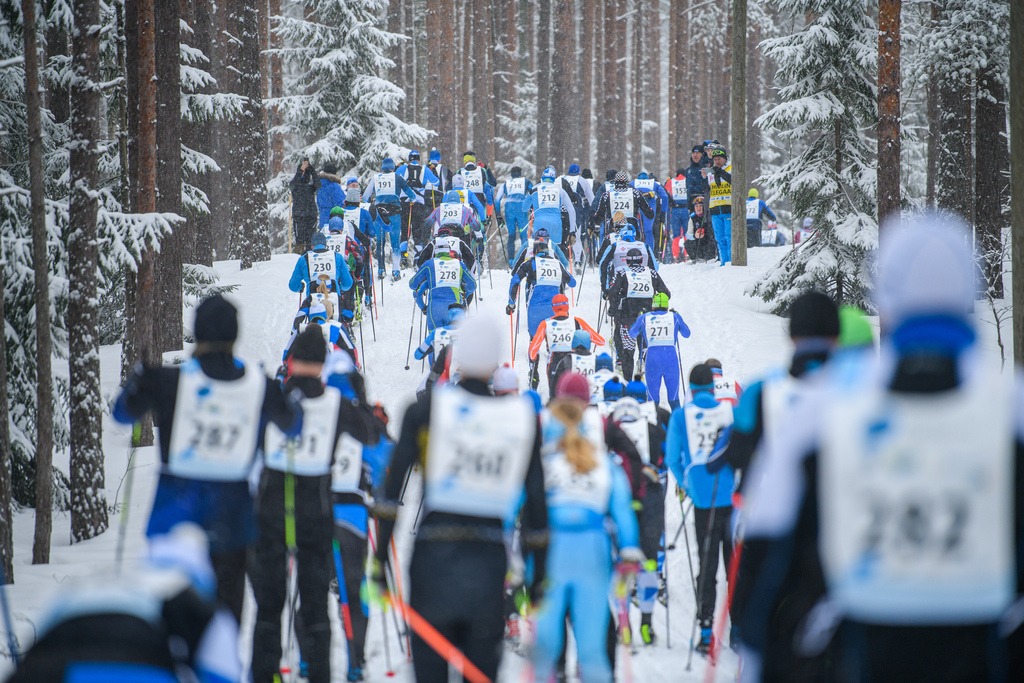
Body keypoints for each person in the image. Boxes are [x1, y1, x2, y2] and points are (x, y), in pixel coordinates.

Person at [738, 216, 1024, 683]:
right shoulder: (1012, 411)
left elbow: (767, 564)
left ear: (885, 297)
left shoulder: (823, 412)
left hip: (859, 652)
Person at [371, 314, 549, 683]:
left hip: (432, 556)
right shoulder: (521, 417)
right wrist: (537, 580)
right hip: (487, 560)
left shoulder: (425, 410)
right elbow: (536, 506)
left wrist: (379, 560)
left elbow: (392, 492)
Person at [112, 295, 302, 623]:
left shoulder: (166, 380)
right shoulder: (260, 385)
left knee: (171, 625)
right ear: (234, 335)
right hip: (233, 521)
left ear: (198, 333)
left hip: (174, 516)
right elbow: (293, 425)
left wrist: (137, 380)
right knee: (224, 624)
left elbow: (122, 414)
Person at [250, 327, 375, 683]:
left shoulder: (273, 396)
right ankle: (320, 673)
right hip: (316, 513)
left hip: (272, 511)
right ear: (321, 365)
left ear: (290, 362)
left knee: (269, 608)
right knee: (316, 605)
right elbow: (369, 435)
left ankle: (266, 674)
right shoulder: (336, 403)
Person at [6, 524, 243, 683]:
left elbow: (42, 640)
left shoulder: (95, 587)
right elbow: (221, 671)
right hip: (141, 670)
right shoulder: (191, 596)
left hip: (50, 670)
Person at [531, 372, 642, 683]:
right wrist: (629, 548)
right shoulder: (600, 445)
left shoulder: (543, 443)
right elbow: (621, 498)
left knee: (546, 647)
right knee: (593, 649)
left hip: (549, 546)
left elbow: (520, 494)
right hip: (593, 546)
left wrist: (513, 549)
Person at [665, 363, 736, 654]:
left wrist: (688, 483)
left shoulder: (682, 416)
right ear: (713, 386)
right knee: (734, 565)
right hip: (732, 499)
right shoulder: (729, 411)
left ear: (691, 390)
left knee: (706, 568)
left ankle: (706, 631)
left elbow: (672, 458)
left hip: (703, 502)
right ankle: (740, 630)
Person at [607, 248, 670, 380]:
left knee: (627, 352)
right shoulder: (652, 273)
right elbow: (666, 293)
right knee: (646, 349)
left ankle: (629, 382)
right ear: (642, 260)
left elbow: (612, 293)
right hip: (648, 319)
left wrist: (613, 309)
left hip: (628, 318)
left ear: (627, 261)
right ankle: (648, 376)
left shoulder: (623, 273)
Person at [527, 293, 605, 395]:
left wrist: (533, 359)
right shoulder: (577, 321)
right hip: (573, 361)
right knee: (574, 394)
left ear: (553, 308)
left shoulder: (545, 324)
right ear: (567, 306)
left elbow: (533, 350)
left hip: (554, 362)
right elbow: (600, 341)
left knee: (555, 396)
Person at [628, 292, 691, 409]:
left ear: (653, 305)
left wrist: (639, 318)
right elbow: (687, 334)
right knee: (674, 398)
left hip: (652, 359)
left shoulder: (645, 317)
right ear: (667, 305)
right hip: (670, 359)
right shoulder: (674, 317)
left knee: (652, 399)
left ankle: (654, 423)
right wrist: (678, 317)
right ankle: (676, 424)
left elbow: (632, 333)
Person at [508, 238, 577, 339]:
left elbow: (515, 281)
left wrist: (511, 304)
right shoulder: (557, 263)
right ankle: (552, 351)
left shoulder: (529, 263)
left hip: (535, 308)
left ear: (535, 252)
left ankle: (534, 350)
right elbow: (572, 283)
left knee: (534, 339)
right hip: (554, 308)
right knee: (553, 341)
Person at [362, 157, 418, 281]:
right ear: (393, 168)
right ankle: (396, 270)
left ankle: (381, 270)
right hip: (394, 212)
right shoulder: (397, 177)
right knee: (395, 243)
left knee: (380, 242)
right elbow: (412, 195)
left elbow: (365, 197)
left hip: (379, 213)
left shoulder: (375, 178)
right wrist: (412, 200)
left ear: (382, 168)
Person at [410, 247, 477, 331]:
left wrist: (423, 307)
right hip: (454, 308)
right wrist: (464, 298)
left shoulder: (429, 264)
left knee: (435, 339)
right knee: (456, 338)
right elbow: (472, 285)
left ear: (435, 252)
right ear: (448, 252)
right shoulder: (459, 264)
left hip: (435, 309)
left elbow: (414, 287)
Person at [288, 231, 355, 303]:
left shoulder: (303, 259)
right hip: (334, 300)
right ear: (326, 245)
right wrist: (339, 287)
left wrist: (300, 287)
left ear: (311, 246)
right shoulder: (337, 257)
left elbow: (293, 286)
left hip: (312, 302)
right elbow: (348, 283)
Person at [590, 171, 654, 244]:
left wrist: (593, 221)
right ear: (627, 182)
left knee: (607, 250)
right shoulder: (635, 193)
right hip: (632, 231)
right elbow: (650, 214)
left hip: (613, 231)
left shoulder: (607, 195)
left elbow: (599, 216)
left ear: (615, 182)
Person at [397, 149, 441, 248]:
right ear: (418, 159)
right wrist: (432, 170)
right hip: (419, 203)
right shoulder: (425, 169)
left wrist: (398, 167)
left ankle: (403, 254)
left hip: (404, 202)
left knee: (404, 230)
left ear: (409, 159)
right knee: (417, 232)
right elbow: (436, 182)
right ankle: (417, 254)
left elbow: (394, 178)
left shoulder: (403, 168)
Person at [528, 166, 578, 250]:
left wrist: (532, 208)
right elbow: (572, 207)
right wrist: (572, 231)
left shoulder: (537, 186)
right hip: (560, 217)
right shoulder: (562, 184)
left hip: (542, 220)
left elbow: (531, 202)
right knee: (558, 246)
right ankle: (561, 258)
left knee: (540, 247)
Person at [495, 167, 534, 266]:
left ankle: (511, 261)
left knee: (511, 235)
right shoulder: (526, 181)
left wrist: (498, 215)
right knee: (523, 235)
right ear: (520, 173)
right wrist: (532, 208)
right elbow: (534, 193)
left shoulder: (506, 184)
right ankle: (525, 259)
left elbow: (497, 200)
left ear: (511, 174)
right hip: (521, 209)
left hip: (510, 210)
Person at [705, 148, 733, 265]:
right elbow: (707, 189)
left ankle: (731, 261)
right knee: (719, 238)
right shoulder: (711, 172)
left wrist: (720, 172)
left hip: (728, 207)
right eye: (715, 159)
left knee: (729, 236)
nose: (717, 161)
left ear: (725, 159)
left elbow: (733, 180)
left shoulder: (731, 168)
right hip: (715, 209)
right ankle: (723, 261)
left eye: (719, 159)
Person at [632, 171, 669, 254]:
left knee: (636, 231)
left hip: (636, 207)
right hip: (650, 208)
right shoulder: (654, 184)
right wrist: (663, 211)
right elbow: (665, 196)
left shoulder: (633, 183)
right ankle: (650, 254)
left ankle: (635, 252)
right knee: (648, 231)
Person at [290, 157, 320, 254]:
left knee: (310, 242)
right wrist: (301, 170)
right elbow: (294, 183)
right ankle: (299, 260)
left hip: (310, 216)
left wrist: (311, 170)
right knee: (299, 242)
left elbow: (318, 184)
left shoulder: (310, 187)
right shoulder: (295, 185)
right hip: (299, 217)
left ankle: (309, 260)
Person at [663, 167, 690, 263]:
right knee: (687, 232)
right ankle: (687, 254)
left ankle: (675, 256)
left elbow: (665, 192)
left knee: (676, 234)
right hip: (686, 209)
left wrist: (671, 202)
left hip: (675, 210)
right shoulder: (687, 180)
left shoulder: (672, 181)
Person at [684, 196, 715, 263]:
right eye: (696, 206)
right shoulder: (692, 218)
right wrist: (695, 236)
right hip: (698, 241)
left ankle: (711, 257)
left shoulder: (709, 216)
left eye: (700, 206)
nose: (698, 208)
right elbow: (688, 235)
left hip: (708, 241)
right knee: (688, 243)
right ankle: (696, 257)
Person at [316, 163, 346, 229]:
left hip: (323, 218)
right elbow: (340, 203)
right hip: (334, 220)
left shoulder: (319, 186)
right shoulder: (334, 186)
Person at [685, 145, 710, 209]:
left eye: (698, 153)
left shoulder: (707, 168)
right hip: (692, 203)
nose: (695, 155)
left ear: (702, 154)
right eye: (693, 153)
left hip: (704, 201)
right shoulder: (689, 170)